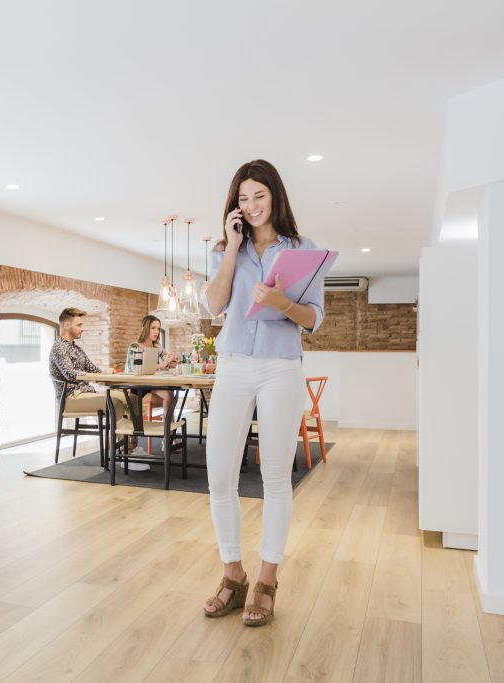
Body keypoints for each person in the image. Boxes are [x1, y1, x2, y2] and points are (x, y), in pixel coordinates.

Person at [200, 159, 325, 627]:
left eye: (260, 196)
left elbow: (313, 319)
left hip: (280, 368)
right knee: (219, 478)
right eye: (243, 197)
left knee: (275, 477)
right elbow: (215, 306)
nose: (251, 205)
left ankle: (267, 581)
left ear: (275, 197)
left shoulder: (302, 250)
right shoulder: (224, 249)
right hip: (232, 367)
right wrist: (231, 247)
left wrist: (281, 303)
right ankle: (233, 575)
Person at [49, 307, 139, 458]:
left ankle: (131, 445)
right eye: (79, 325)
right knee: (115, 402)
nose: (82, 329)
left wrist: (104, 372)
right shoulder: (59, 347)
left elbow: (92, 368)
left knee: (133, 399)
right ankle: (125, 454)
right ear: (66, 325)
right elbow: (71, 374)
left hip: (85, 393)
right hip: (71, 398)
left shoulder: (76, 348)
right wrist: (96, 376)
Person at [123, 314, 179, 415]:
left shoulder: (157, 346)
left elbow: (166, 363)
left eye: (158, 328)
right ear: (144, 328)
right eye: (153, 328)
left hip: (152, 384)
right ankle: (167, 429)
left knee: (170, 394)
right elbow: (136, 368)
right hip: (137, 387)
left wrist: (172, 362)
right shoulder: (135, 347)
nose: (157, 331)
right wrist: (162, 365)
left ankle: (168, 429)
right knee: (169, 398)